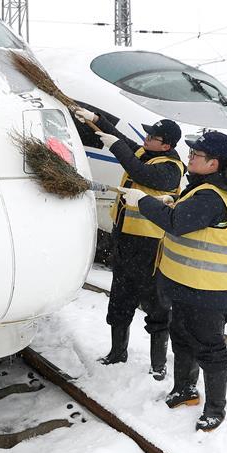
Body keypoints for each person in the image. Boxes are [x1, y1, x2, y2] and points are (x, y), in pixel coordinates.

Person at [123, 130, 227, 431]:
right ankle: (184, 390)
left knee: (210, 350)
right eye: (190, 153)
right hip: (184, 287)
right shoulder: (201, 188)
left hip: (206, 291)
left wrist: (146, 202)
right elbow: (185, 212)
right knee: (183, 341)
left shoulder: (211, 196)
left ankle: (216, 408)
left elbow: (177, 223)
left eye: (195, 155)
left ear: (214, 163)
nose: (189, 157)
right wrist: (171, 199)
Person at [74, 109, 183, 380]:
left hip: (149, 247)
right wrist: (97, 120)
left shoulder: (170, 169)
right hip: (124, 240)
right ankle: (117, 352)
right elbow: (119, 138)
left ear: (166, 145)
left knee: (156, 306)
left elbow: (139, 172)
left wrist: (116, 147)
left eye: (153, 137)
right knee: (120, 300)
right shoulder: (144, 152)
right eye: (147, 134)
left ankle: (158, 364)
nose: (146, 139)